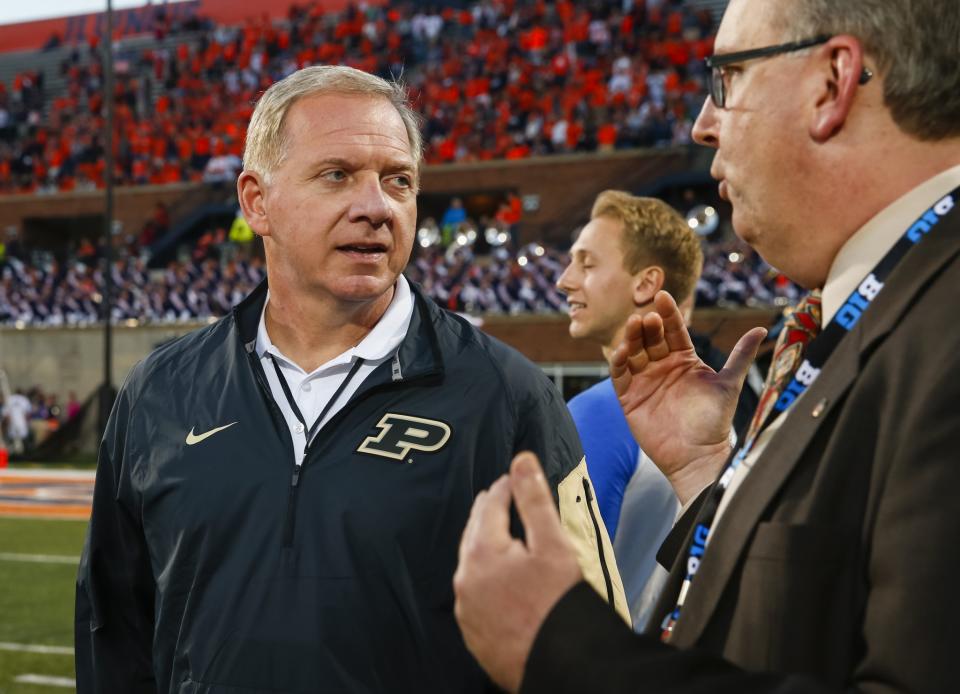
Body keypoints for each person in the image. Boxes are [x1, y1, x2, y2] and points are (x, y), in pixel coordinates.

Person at [453, 0, 960, 691]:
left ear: (831, 82)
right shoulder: (882, 301)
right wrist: (704, 475)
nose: (701, 123)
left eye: (729, 78)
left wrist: (563, 653)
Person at [75, 65, 626, 694]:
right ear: (258, 201)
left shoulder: (506, 394)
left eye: (398, 182)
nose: (375, 207)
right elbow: (113, 637)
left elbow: (591, 648)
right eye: (336, 175)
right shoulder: (159, 393)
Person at [558, 191, 703, 630]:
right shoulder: (716, 413)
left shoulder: (601, 412)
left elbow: (566, 597)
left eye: (587, 263)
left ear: (645, 284)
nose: (565, 280)